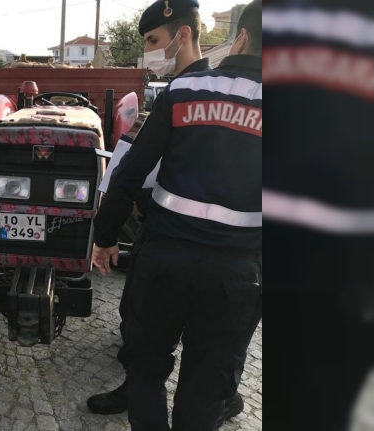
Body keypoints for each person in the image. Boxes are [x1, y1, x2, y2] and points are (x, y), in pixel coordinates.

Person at [90, 0, 262, 429]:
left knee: (146, 372)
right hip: (236, 272)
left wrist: (106, 236)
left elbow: (129, 173)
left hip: (165, 259)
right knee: (205, 389)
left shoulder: (185, 90)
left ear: (239, 37)